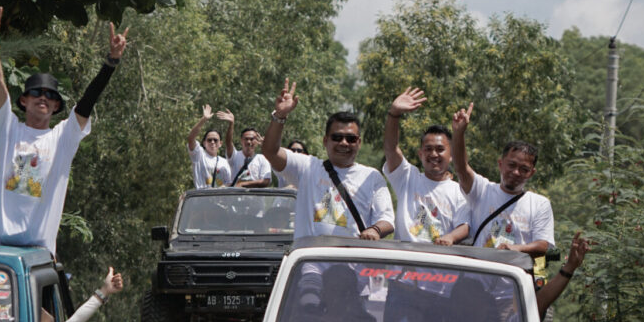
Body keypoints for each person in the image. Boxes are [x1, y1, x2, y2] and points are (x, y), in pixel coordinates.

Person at [0, 7, 127, 257]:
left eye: (50, 95)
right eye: (36, 92)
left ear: (57, 106)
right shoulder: (8, 128)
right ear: (24, 100)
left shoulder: (62, 138)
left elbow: (87, 103)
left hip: (38, 250)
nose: (43, 98)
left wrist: (110, 63)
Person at [262, 79, 394, 239]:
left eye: (351, 139)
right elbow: (270, 151)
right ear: (325, 141)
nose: (344, 143)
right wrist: (280, 116)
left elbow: (386, 219)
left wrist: (375, 230)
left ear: (359, 143)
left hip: (354, 259)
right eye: (337, 137)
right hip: (312, 259)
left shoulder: (372, 177)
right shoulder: (307, 167)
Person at [450, 102, 555, 259]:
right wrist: (459, 133)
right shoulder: (482, 190)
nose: (516, 172)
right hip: (478, 277)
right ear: (500, 164)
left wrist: (515, 248)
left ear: (532, 173)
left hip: (513, 279)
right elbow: (461, 167)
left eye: (524, 169)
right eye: (511, 165)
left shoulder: (540, 204)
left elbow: (543, 245)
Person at [383, 86, 470, 245]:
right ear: (420, 154)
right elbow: (390, 148)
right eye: (428, 149)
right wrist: (394, 114)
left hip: (437, 265)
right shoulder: (407, 177)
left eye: (440, 149)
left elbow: (464, 225)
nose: (434, 155)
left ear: (451, 156)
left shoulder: (460, 191)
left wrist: (450, 237)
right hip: (403, 265)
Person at [186, 106, 234, 188]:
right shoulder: (199, 155)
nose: (212, 142)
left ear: (220, 143)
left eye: (215, 140)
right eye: (209, 140)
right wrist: (203, 119)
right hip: (201, 198)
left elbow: (229, 182)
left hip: (219, 199)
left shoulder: (225, 162)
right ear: (204, 143)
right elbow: (191, 138)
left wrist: (221, 188)